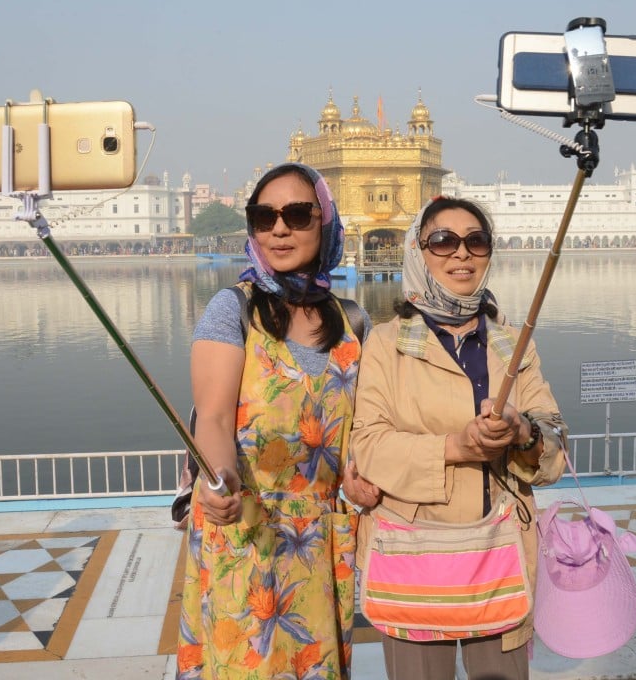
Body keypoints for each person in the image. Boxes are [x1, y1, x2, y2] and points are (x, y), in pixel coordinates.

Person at [350, 195, 568, 680]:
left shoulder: (512, 343)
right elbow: (368, 446)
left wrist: (522, 431)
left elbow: (553, 447)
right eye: (443, 241)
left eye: (476, 241)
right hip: (416, 551)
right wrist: (455, 448)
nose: (461, 254)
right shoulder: (388, 342)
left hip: (501, 546)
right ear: (418, 251)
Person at [177, 162, 379, 680]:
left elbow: (368, 426)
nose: (279, 229)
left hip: (320, 539)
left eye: (296, 214)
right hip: (242, 525)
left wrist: (362, 469)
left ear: (325, 222)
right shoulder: (233, 311)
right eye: (264, 217)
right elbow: (215, 419)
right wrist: (219, 478)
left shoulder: (354, 320)